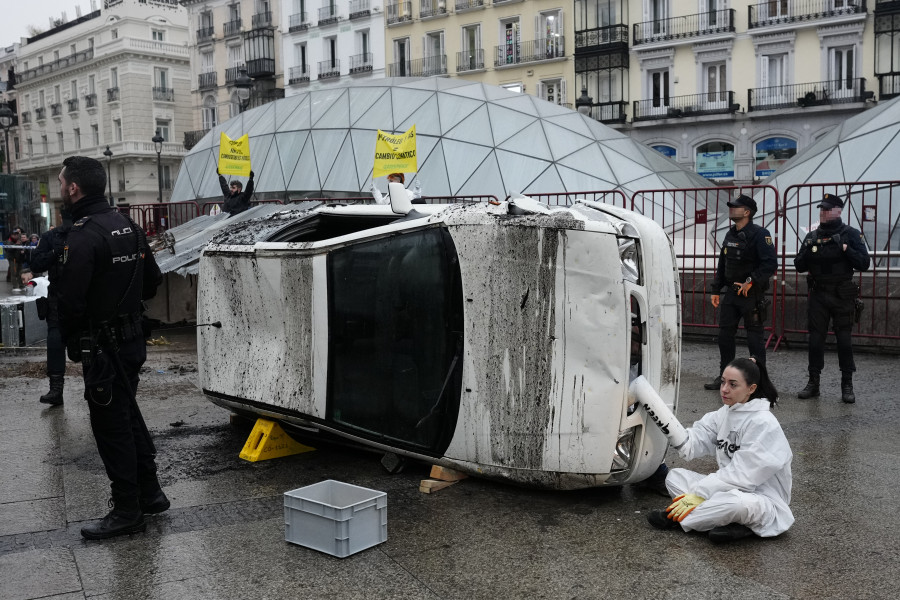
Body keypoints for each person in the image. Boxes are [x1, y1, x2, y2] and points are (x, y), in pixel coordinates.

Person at [55, 156, 168, 540]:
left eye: (61, 183)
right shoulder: (128, 225)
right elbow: (152, 281)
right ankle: (150, 492)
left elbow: (69, 302)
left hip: (103, 347)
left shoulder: (82, 235)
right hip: (133, 339)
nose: (60, 189)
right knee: (128, 413)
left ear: (73, 188)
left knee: (111, 425)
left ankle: (126, 510)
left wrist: (74, 342)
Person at [646, 357, 793, 544]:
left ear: (751, 389)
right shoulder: (725, 412)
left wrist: (700, 494)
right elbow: (695, 440)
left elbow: (742, 476)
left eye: (733, 384)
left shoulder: (764, 423)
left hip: (761, 499)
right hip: (727, 489)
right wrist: (667, 425)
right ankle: (730, 525)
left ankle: (677, 519)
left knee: (735, 504)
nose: (724, 389)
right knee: (674, 477)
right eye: (723, 382)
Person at [794, 193, 870, 403]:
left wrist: (845, 248)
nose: (823, 212)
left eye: (828, 209)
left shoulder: (851, 234)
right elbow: (799, 265)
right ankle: (813, 382)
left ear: (839, 211)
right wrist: (807, 252)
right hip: (818, 294)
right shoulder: (811, 236)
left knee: (844, 341)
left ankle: (847, 384)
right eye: (821, 209)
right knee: (815, 340)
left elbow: (864, 263)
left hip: (841, 294)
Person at [704, 194, 777, 390]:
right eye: (731, 206)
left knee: (754, 337)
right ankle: (725, 377)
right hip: (731, 294)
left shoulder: (761, 234)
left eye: (736, 207)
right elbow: (723, 264)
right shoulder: (731, 234)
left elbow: (770, 264)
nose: (731, 209)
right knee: (725, 335)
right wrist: (716, 289)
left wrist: (751, 281)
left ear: (747, 212)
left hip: (751, 295)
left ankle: (758, 380)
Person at [27, 211, 73, 406]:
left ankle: (96, 388)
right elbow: (36, 262)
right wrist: (56, 253)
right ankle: (56, 389)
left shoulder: (89, 232)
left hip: (85, 295)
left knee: (92, 344)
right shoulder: (51, 237)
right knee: (54, 341)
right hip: (58, 297)